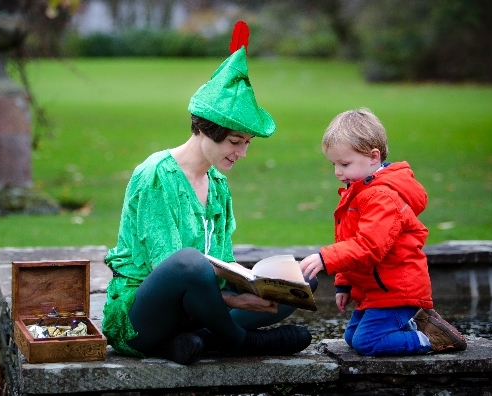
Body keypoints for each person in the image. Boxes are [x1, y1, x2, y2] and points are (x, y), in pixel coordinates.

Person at [101, 45, 315, 365]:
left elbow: (224, 262)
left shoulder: (217, 184)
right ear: (204, 129)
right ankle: (239, 341)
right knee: (189, 261)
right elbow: (172, 267)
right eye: (234, 142)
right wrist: (237, 302)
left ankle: (195, 342)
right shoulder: (156, 175)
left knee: (301, 281)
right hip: (141, 317)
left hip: (199, 313)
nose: (242, 153)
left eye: (246, 144)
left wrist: (258, 287)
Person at [299, 108, 467, 356]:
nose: (337, 171)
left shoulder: (382, 197)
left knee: (366, 343)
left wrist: (326, 258)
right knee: (351, 337)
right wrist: (343, 285)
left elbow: (368, 246)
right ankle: (412, 323)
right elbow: (348, 241)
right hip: (376, 290)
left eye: (344, 164)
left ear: (373, 156)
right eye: (334, 164)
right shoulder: (357, 191)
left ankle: (430, 338)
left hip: (397, 290)